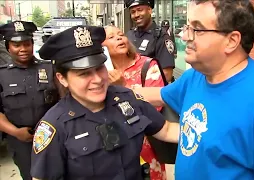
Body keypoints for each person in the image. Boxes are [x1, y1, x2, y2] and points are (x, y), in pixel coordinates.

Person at [134, 1, 254, 180]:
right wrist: (116, 93)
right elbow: (158, 96)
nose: (184, 36)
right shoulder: (196, 77)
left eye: (197, 29)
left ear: (231, 41)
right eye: (187, 27)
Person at [30, 25, 179, 180]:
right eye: (84, 73)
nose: (98, 79)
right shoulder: (54, 126)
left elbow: (166, 130)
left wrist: (203, 132)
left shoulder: (128, 98)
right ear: (62, 79)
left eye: (99, 68)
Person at [102, 25, 167, 180]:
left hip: (146, 146)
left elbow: (155, 107)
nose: (119, 38)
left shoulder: (147, 65)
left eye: (121, 34)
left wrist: (123, 87)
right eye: (111, 37)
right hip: (112, 147)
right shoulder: (99, 73)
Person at [0, 21, 59, 180]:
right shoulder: (1, 75)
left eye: (27, 44)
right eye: (16, 45)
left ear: (33, 44)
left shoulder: (49, 68)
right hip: (21, 141)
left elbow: (64, 100)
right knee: (31, 176)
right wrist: (16, 132)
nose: (23, 49)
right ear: (8, 47)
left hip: (53, 136)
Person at [125, 0, 175, 83]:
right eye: (133, 12)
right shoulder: (129, 34)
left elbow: (166, 75)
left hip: (149, 91)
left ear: (149, 10)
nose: (136, 15)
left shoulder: (162, 36)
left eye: (140, 10)